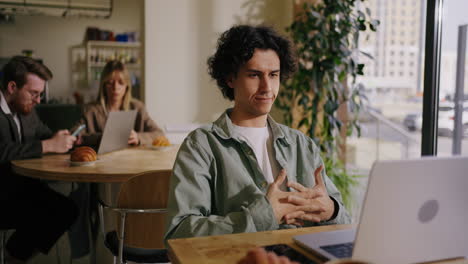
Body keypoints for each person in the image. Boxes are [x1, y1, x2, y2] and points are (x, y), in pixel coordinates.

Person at [164, 25, 351, 242]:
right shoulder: (202, 146)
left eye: (273, 75)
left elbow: (345, 223)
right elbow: (178, 234)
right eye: (254, 75)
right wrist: (262, 216)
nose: (267, 87)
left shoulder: (302, 145)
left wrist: (332, 211)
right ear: (230, 78)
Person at [0, 56, 78, 263]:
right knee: (52, 211)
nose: (38, 100)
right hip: (2, 193)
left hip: (21, 188)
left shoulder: (25, 110)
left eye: (40, 94)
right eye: (34, 93)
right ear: (12, 86)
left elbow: (44, 133)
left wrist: (60, 137)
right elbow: (3, 152)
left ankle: (13, 256)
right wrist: (47, 146)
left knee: (68, 209)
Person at [75, 60, 165, 148]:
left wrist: (138, 137)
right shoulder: (90, 110)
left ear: (127, 86)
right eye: (110, 82)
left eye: (121, 83)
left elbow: (159, 134)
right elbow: (75, 135)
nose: (115, 87)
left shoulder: (138, 107)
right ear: (103, 85)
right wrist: (101, 137)